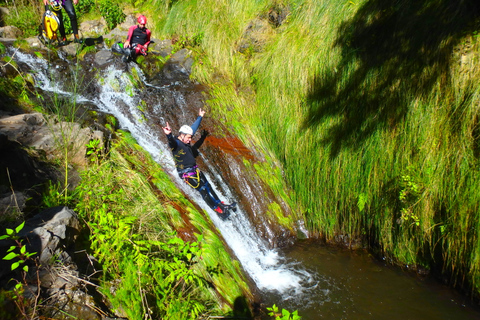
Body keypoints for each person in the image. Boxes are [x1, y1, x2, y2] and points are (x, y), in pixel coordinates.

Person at [162, 108, 236, 218]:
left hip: (194, 169)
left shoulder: (185, 138)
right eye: (188, 138)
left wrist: (200, 116)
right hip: (186, 174)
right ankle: (217, 210)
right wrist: (169, 134)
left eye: (190, 138)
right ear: (181, 135)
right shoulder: (176, 143)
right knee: (202, 189)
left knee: (208, 186)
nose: (189, 140)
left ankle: (221, 204)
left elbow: (193, 128)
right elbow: (171, 142)